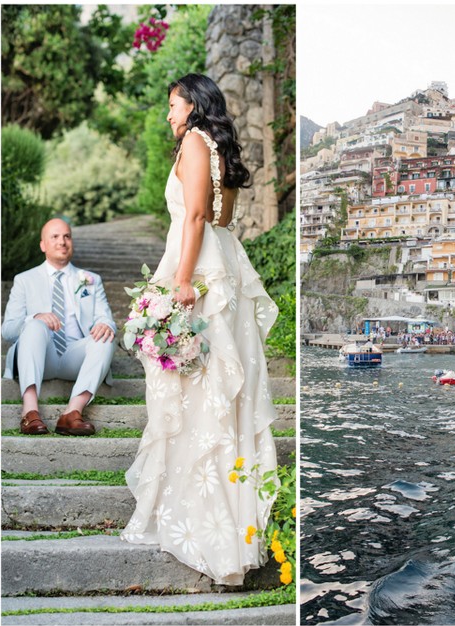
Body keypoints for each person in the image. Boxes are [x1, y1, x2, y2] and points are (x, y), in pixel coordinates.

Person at [120, 74, 279, 586]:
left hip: (198, 267)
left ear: (193, 105)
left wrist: (182, 279)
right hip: (224, 261)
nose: (169, 114)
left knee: (196, 385)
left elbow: (193, 217)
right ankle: (230, 519)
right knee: (216, 387)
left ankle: (202, 516)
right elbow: (222, 217)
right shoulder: (221, 150)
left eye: (173, 104)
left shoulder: (192, 141)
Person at [1, 218, 116, 436]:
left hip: (76, 356)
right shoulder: (24, 280)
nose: (62, 242)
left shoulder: (91, 280)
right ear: (43, 245)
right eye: (54, 237)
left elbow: (107, 318)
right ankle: (30, 411)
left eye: (67, 236)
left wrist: (104, 324)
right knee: (34, 326)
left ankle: (72, 413)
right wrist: (35, 317)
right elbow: (8, 330)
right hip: (39, 357)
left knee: (106, 336)